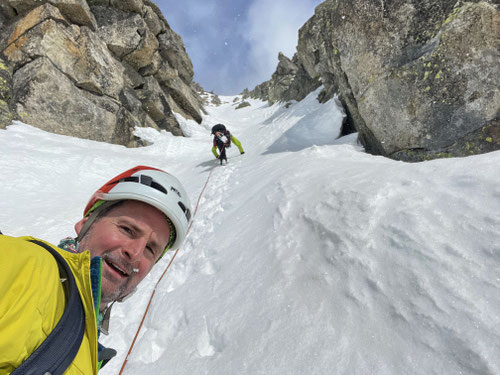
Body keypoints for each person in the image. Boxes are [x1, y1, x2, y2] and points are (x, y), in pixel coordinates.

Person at [0, 166, 192, 374]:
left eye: (150, 249)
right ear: (85, 224)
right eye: (127, 229)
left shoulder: (87, 335)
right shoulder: (27, 265)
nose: (135, 253)